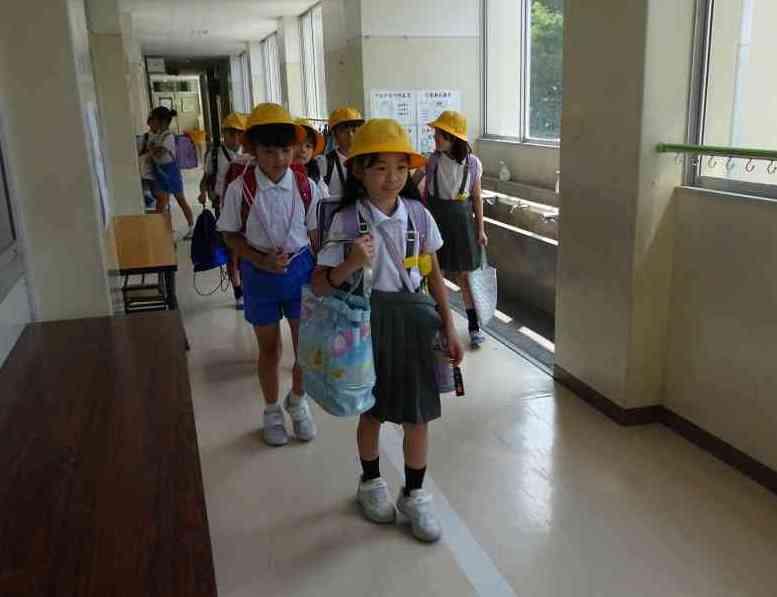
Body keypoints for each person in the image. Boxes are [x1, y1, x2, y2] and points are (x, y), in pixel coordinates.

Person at [311, 119, 464, 543]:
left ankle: (414, 494)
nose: (392, 177)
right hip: (366, 326)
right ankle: (371, 482)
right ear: (359, 170)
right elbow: (319, 284)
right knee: (372, 410)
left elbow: (434, 276)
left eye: (400, 167)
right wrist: (350, 262)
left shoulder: (419, 215)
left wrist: (450, 327)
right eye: (380, 167)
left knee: (419, 414)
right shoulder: (346, 221)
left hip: (415, 324)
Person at [218, 103, 320, 447]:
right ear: (253, 150)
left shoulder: (306, 186)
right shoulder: (240, 189)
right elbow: (230, 234)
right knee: (270, 349)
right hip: (259, 276)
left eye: (285, 150)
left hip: (300, 270)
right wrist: (259, 260)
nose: (279, 159)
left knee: (305, 348)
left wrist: (324, 271)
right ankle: (272, 409)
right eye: (269, 151)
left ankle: (298, 401)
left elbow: (315, 233)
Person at [418, 111, 487, 349]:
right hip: (436, 222)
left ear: (453, 138)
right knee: (436, 275)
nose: (435, 138)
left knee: (465, 277)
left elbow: (476, 198)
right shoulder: (432, 161)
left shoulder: (473, 163)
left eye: (440, 134)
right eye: (436, 133)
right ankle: (441, 327)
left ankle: (474, 326)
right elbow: (418, 189)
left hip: (463, 225)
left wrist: (481, 229)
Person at [199, 112, 248, 308]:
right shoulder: (214, 155)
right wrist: (203, 192)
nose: (235, 138)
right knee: (232, 251)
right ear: (223, 133)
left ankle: (248, 286)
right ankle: (238, 291)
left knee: (246, 250)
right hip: (223, 207)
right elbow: (206, 179)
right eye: (231, 133)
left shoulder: (250, 153)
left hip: (247, 209)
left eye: (239, 133)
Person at [144, 106, 195, 238]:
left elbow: (159, 153)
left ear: (162, 121)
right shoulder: (158, 135)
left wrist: (152, 149)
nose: (152, 123)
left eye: (154, 120)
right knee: (162, 202)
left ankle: (191, 226)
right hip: (160, 171)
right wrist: (152, 149)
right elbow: (153, 150)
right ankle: (161, 229)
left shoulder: (168, 136)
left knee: (180, 200)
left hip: (171, 172)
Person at [293, 117, 329, 250]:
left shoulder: (316, 176)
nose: (303, 150)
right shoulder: (281, 176)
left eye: (308, 146)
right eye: (298, 144)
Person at [314, 107, 364, 199]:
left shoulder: (367, 161)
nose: (350, 135)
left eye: (354, 130)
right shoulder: (324, 163)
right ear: (334, 135)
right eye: (343, 131)